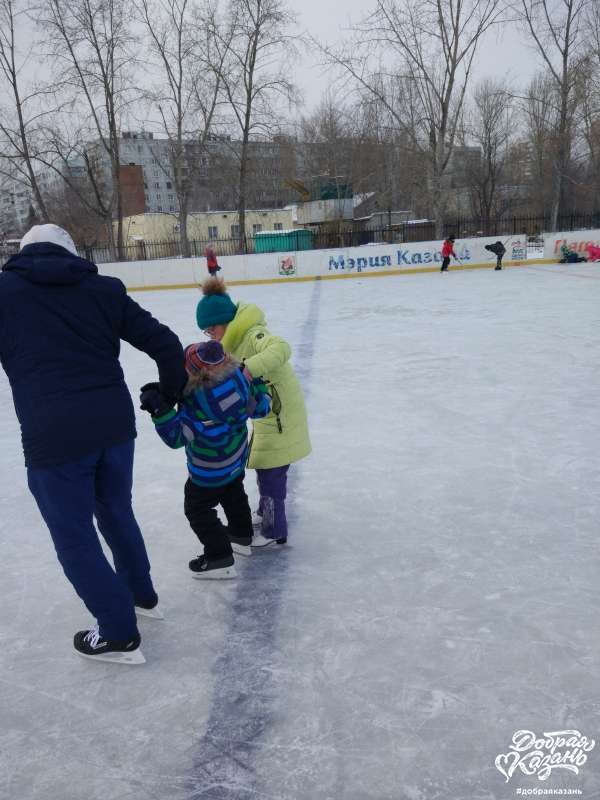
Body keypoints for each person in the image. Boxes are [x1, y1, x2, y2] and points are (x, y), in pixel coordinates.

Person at [0, 224, 186, 664]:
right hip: (114, 427)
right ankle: (142, 597)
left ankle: (119, 633)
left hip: (54, 436)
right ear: (71, 252)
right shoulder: (104, 289)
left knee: (74, 536)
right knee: (116, 512)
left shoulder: (5, 292)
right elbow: (166, 343)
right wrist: (170, 394)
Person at [195, 278, 311, 549]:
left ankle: (274, 532)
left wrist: (247, 370)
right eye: (206, 331)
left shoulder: (253, 333)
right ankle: (265, 515)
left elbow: (281, 348)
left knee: (271, 473)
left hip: (280, 414)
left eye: (212, 329)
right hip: (268, 412)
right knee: (263, 465)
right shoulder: (234, 340)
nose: (210, 334)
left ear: (224, 321)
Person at [139, 340, 271, 576]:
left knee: (197, 509)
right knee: (233, 492)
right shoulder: (240, 380)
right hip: (236, 459)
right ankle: (241, 536)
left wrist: (160, 411)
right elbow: (261, 408)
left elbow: (177, 437)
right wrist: (259, 386)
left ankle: (219, 556)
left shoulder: (196, 401)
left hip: (207, 471)